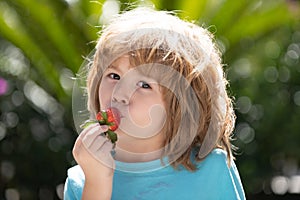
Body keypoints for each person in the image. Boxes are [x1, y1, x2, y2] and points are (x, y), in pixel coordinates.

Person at [64, 7, 246, 200]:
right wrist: (97, 183)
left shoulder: (212, 170)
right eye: (114, 75)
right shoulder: (82, 180)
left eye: (144, 85)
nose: (120, 94)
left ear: (181, 107)